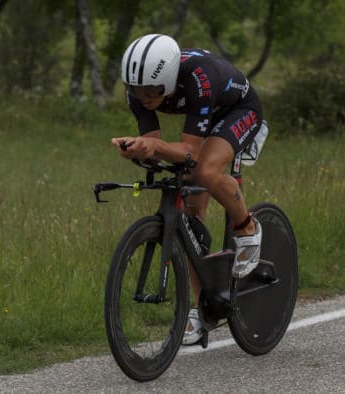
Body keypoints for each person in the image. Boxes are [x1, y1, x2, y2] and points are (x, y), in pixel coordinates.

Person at [111, 33, 265, 345]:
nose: (144, 98)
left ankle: (247, 226)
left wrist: (154, 146)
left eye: (151, 91)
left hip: (237, 110)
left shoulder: (200, 78)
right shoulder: (138, 92)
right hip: (202, 114)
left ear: (167, 80)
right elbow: (156, 146)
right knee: (191, 219)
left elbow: (189, 153)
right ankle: (202, 307)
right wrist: (139, 149)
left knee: (204, 171)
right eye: (135, 90)